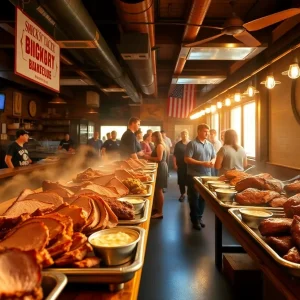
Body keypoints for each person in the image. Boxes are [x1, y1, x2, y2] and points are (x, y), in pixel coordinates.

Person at [184, 124, 216, 230]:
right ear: (198, 131)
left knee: (203, 198)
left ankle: (200, 217)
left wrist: (212, 161)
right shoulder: (192, 144)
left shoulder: (210, 145)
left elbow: (214, 157)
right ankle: (195, 219)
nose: (207, 133)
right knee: (194, 198)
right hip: (194, 175)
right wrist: (202, 163)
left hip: (207, 175)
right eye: (204, 131)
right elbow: (187, 159)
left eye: (208, 131)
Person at [144, 131, 168, 219]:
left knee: (159, 190)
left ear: (155, 137)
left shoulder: (160, 145)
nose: (151, 138)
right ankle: (156, 208)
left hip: (161, 168)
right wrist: (147, 154)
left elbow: (159, 158)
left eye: (152, 137)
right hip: (160, 167)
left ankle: (160, 212)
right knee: (157, 190)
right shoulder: (158, 145)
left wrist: (148, 157)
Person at [173, 130, 189, 202]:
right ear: (181, 135)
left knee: (189, 180)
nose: (184, 135)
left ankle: (190, 194)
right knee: (181, 180)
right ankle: (183, 194)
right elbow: (174, 155)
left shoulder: (191, 144)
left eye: (186, 134)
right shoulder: (178, 145)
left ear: (188, 135)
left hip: (189, 166)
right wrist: (175, 164)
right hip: (180, 165)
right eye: (183, 134)